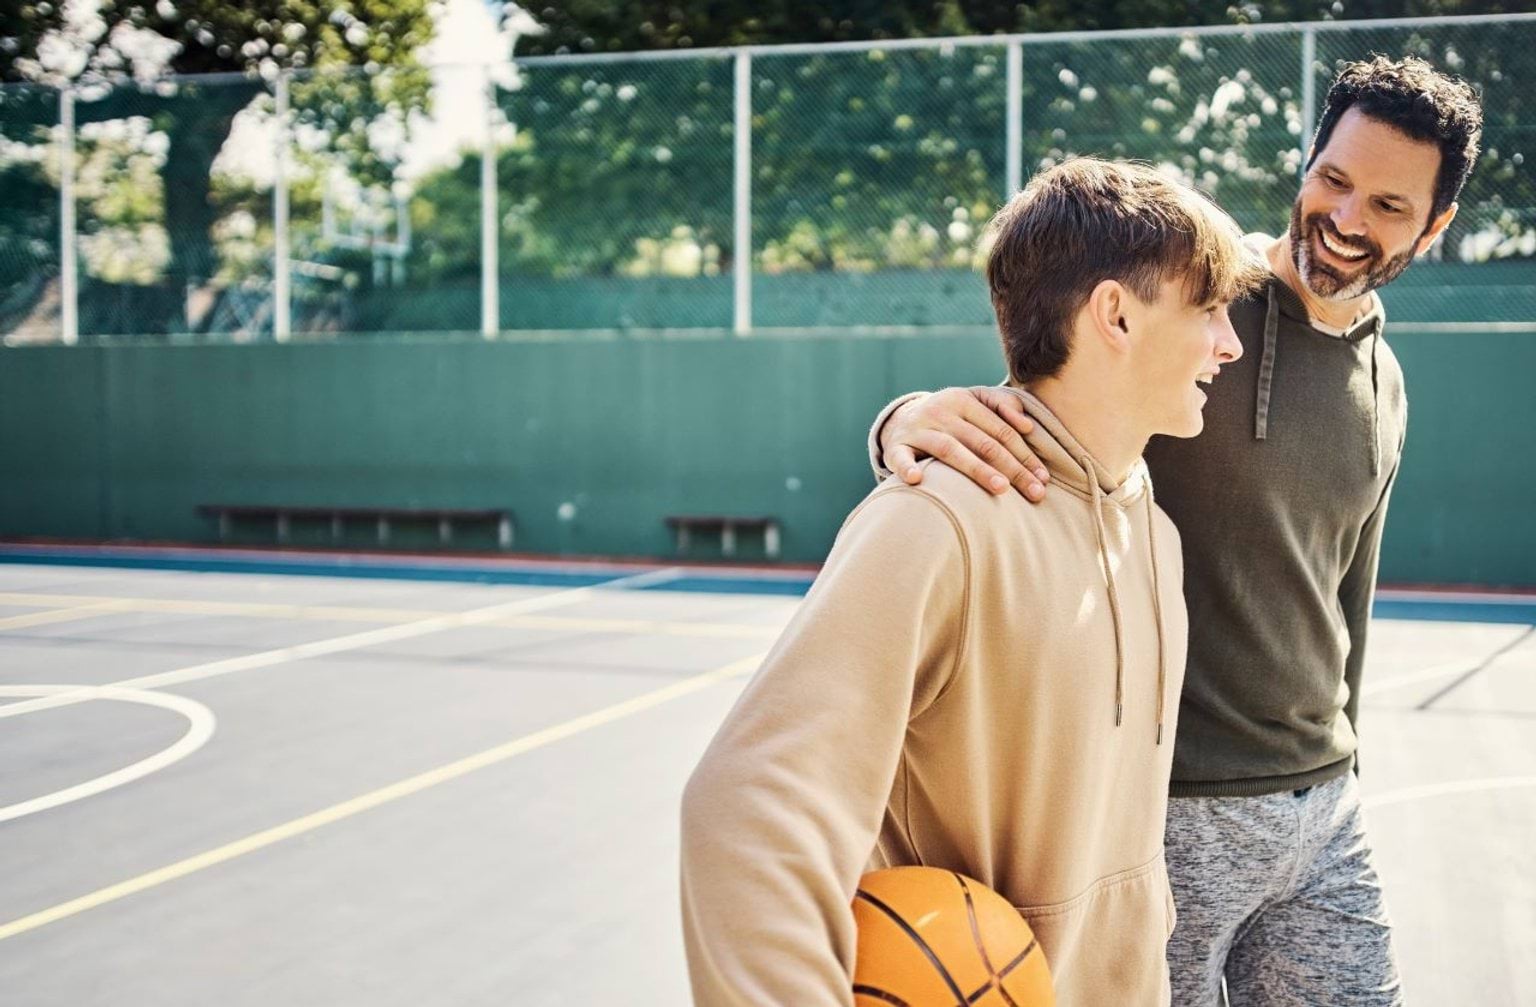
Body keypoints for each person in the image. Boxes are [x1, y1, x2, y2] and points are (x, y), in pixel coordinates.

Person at [868, 56, 1484, 1006]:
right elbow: (1037, 393)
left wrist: (1347, 756)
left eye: (1391, 206)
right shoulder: (1199, 302)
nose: (1347, 219)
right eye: (1333, 179)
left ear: (1438, 223)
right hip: (1167, 813)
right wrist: (903, 418)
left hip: (1321, 808)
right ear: (1308, 159)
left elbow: (1347, 590)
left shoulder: (1386, 382)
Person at [680, 157, 1264, 1006]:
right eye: (1207, 307)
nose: (1229, 342)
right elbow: (745, 811)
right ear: (1116, 315)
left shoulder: (1157, 536)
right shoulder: (935, 521)